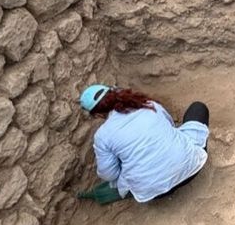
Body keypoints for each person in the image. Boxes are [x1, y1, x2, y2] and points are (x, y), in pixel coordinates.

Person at [79, 84, 210, 202]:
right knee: (198, 108)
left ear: (98, 115)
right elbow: (170, 125)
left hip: (154, 192)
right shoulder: (147, 105)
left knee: (125, 162)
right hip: (191, 170)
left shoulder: (102, 136)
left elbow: (108, 174)